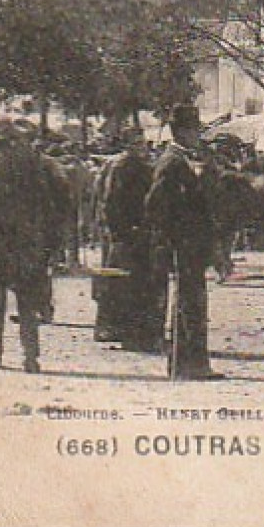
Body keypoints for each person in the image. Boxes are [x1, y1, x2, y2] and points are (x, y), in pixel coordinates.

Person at [0, 118, 70, 373]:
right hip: (27, 243)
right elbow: (50, 203)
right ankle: (30, 356)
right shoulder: (33, 164)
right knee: (27, 299)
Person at [144, 106, 224, 380]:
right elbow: (156, 206)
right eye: (194, 131)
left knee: (192, 302)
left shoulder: (181, 160)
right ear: (184, 132)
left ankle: (190, 363)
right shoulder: (172, 162)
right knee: (189, 302)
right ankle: (187, 365)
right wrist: (174, 236)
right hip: (184, 244)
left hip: (190, 243)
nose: (197, 137)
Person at [95, 130, 164, 351]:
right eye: (138, 143)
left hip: (130, 233)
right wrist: (123, 231)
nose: (142, 147)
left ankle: (118, 329)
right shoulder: (125, 167)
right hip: (130, 233)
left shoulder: (129, 165)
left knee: (123, 283)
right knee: (130, 284)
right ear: (128, 145)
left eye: (142, 143)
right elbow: (112, 201)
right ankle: (131, 333)